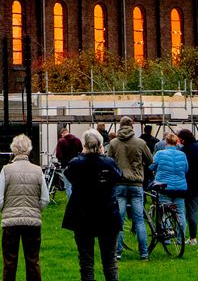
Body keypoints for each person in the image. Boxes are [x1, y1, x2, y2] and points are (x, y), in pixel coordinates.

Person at [63, 129, 123, 281]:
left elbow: (69, 176)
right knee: (110, 261)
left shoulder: (76, 163)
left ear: (84, 145)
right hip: (107, 213)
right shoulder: (109, 163)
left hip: (83, 214)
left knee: (86, 260)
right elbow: (117, 177)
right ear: (101, 144)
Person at [0, 134, 49, 281]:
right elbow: (45, 199)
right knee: (33, 261)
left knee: (9, 262)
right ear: (29, 150)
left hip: (11, 221)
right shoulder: (38, 171)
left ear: (13, 150)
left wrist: (5, 211)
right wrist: (36, 210)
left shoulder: (6, 170)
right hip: (32, 221)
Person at [107, 116, 154, 261]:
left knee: (118, 220)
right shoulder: (140, 143)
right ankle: (143, 253)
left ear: (120, 125)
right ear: (132, 126)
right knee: (139, 219)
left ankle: (118, 252)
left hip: (119, 183)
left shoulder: (114, 143)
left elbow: (109, 161)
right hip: (136, 184)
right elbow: (150, 160)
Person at [147, 132, 188, 242]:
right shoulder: (182, 155)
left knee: (165, 211)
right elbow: (186, 169)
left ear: (166, 142)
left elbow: (151, 166)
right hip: (180, 187)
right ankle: (181, 239)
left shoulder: (160, 153)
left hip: (164, 186)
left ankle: (167, 238)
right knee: (180, 212)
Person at [54, 127, 83, 199]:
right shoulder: (77, 140)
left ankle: (71, 203)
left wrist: (61, 160)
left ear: (62, 134)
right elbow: (82, 152)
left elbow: (58, 154)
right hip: (76, 166)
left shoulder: (61, 141)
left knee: (68, 186)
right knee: (76, 185)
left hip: (65, 165)